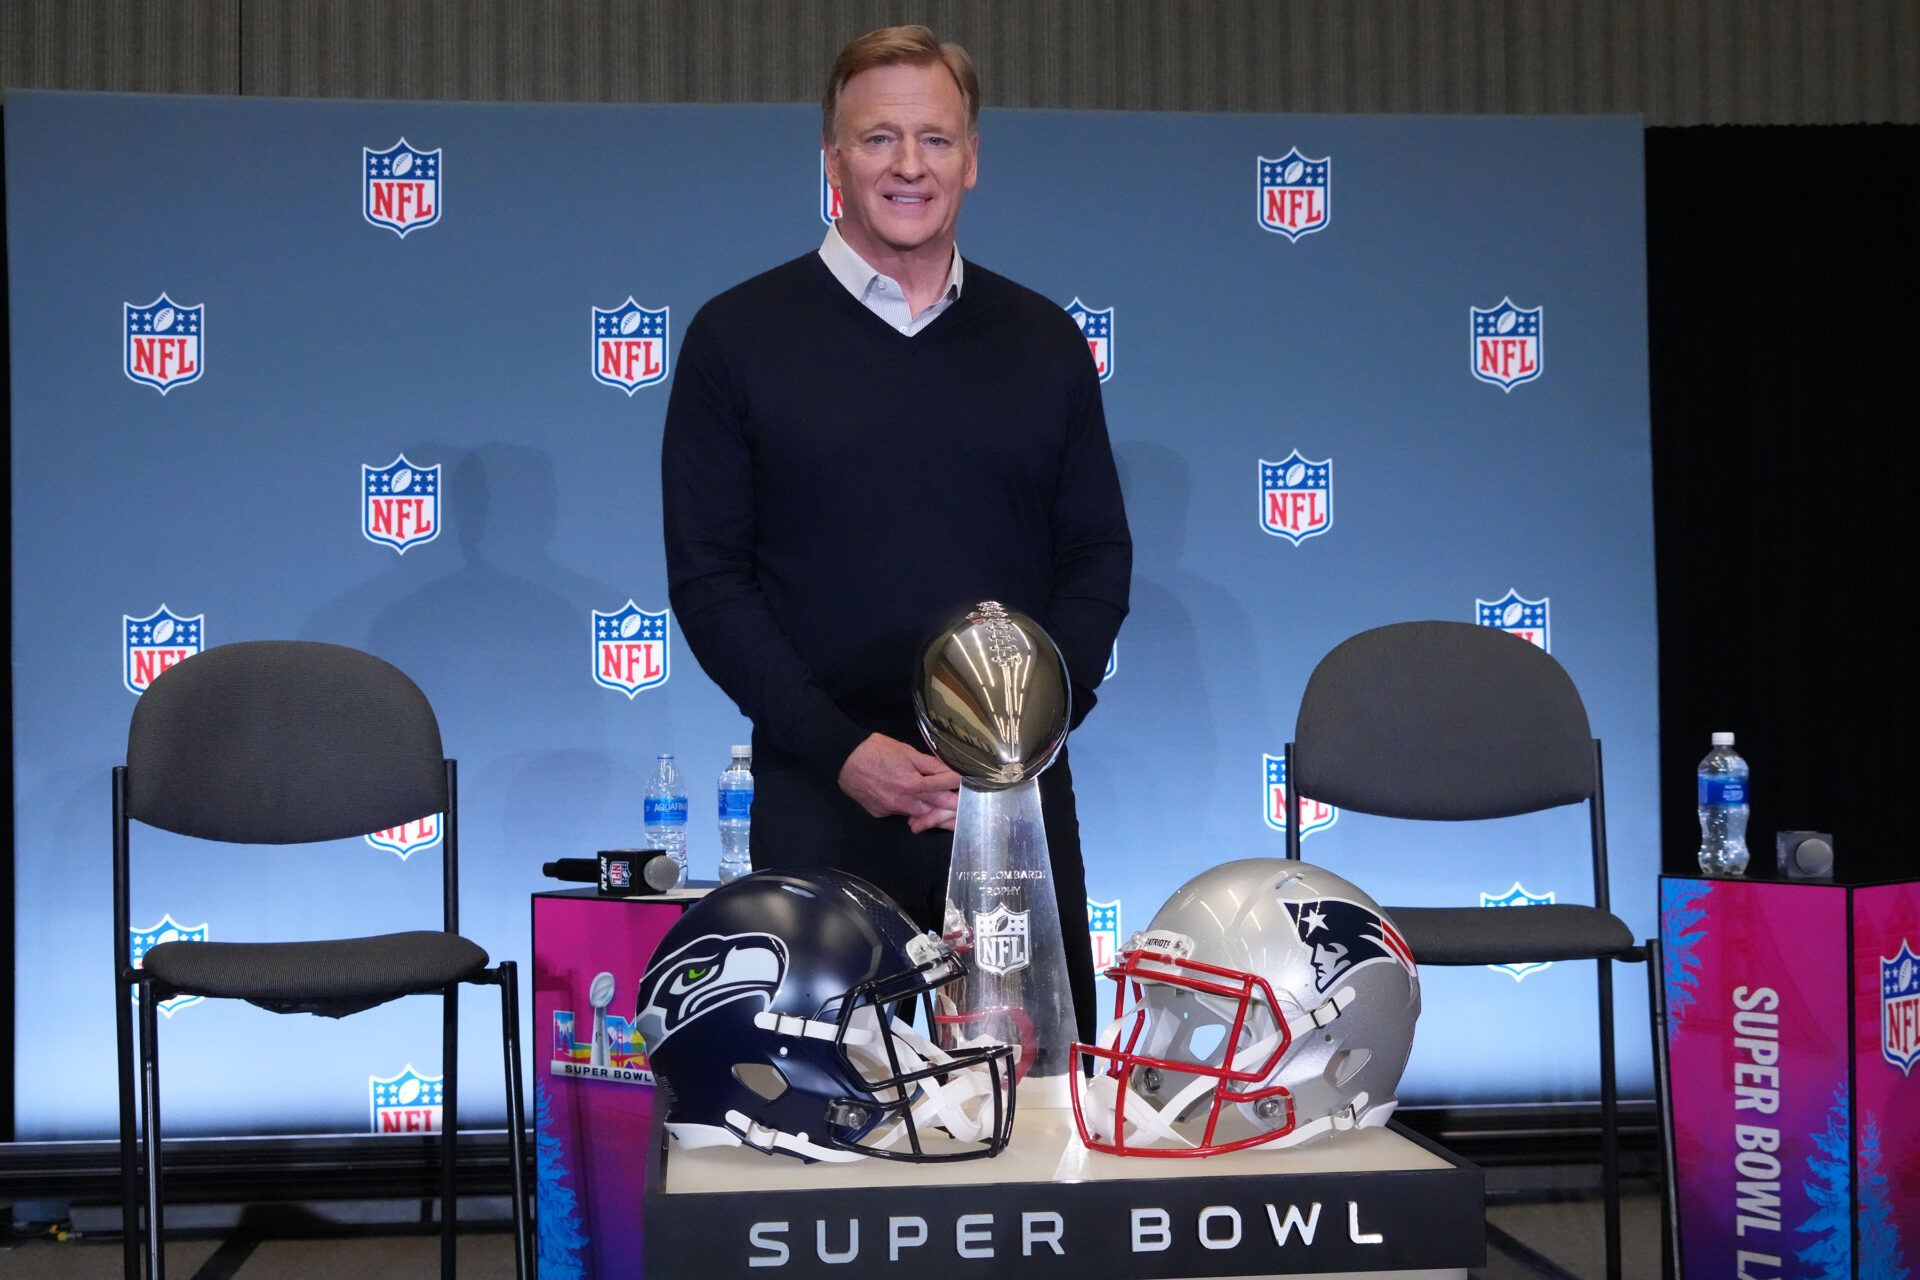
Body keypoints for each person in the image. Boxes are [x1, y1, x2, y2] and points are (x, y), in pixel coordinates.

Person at [660, 25, 1131, 1044]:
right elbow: (710, 581)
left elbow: (1096, 557)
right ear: (831, 157)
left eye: (934, 138)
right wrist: (842, 750)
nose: (908, 165)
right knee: (831, 1124)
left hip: (1010, 803)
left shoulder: (1044, 341)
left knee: (1038, 1117)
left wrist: (1019, 745)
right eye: (879, 139)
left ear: (973, 158)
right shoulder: (736, 338)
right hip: (826, 785)